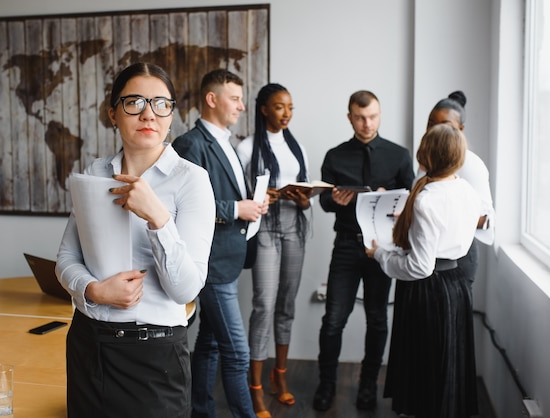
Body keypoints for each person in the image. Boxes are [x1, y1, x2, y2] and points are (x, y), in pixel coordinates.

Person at [55, 62, 215, 418]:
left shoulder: (192, 180)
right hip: (88, 346)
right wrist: (93, 291)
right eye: (134, 102)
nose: (148, 113)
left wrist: (158, 218)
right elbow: (65, 259)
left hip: (154, 357)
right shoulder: (95, 173)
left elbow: (185, 290)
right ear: (113, 113)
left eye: (161, 103)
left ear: (171, 114)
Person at [366, 123, 481, 418]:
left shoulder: (427, 199)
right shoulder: (467, 190)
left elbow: (419, 266)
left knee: (425, 368)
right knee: (446, 367)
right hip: (456, 285)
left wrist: (380, 254)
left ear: (426, 155)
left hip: (428, 290)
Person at [172, 69, 267, 418]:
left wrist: (251, 204)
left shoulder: (227, 141)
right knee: (237, 353)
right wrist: (236, 209)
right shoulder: (190, 145)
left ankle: (201, 411)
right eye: (235, 98)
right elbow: (183, 204)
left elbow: (224, 195)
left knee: (210, 345)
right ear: (212, 99)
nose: (242, 106)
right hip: (210, 264)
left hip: (229, 258)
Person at [313, 90, 414, 411]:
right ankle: (326, 385)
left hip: (381, 249)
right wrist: (335, 200)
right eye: (359, 117)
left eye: (372, 116)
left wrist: (392, 197)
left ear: (380, 115)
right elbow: (325, 200)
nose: (366, 123)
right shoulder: (334, 155)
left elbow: (412, 200)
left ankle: (368, 385)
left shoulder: (399, 155)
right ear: (349, 117)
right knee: (333, 320)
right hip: (345, 245)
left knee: (377, 320)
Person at [235, 83, 310, 418]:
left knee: (286, 304)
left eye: (290, 107)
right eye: (280, 107)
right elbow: (239, 192)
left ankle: (279, 378)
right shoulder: (247, 147)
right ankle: (255, 388)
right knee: (263, 304)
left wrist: (303, 197)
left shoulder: (298, 148)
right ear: (264, 108)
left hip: (295, 227)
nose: (286, 114)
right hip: (264, 228)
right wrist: (267, 196)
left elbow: (306, 191)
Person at [423, 91, 495, 287]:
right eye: (430, 124)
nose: (434, 131)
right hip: (426, 255)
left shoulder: (470, 164)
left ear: (460, 129)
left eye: (443, 126)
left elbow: (485, 220)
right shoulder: (426, 160)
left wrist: (432, 214)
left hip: (456, 259)